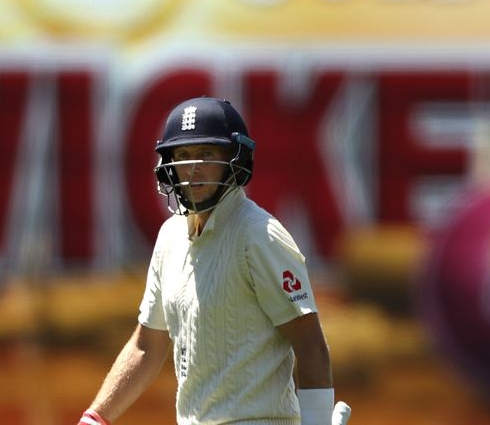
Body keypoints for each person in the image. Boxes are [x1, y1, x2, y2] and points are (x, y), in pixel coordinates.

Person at [77, 97, 348, 425]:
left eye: (207, 154)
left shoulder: (260, 235)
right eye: (183, 156)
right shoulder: (170, 236)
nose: (193, 168)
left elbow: (310, 344)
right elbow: (147, 345)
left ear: (235, 160)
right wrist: (96, 417)